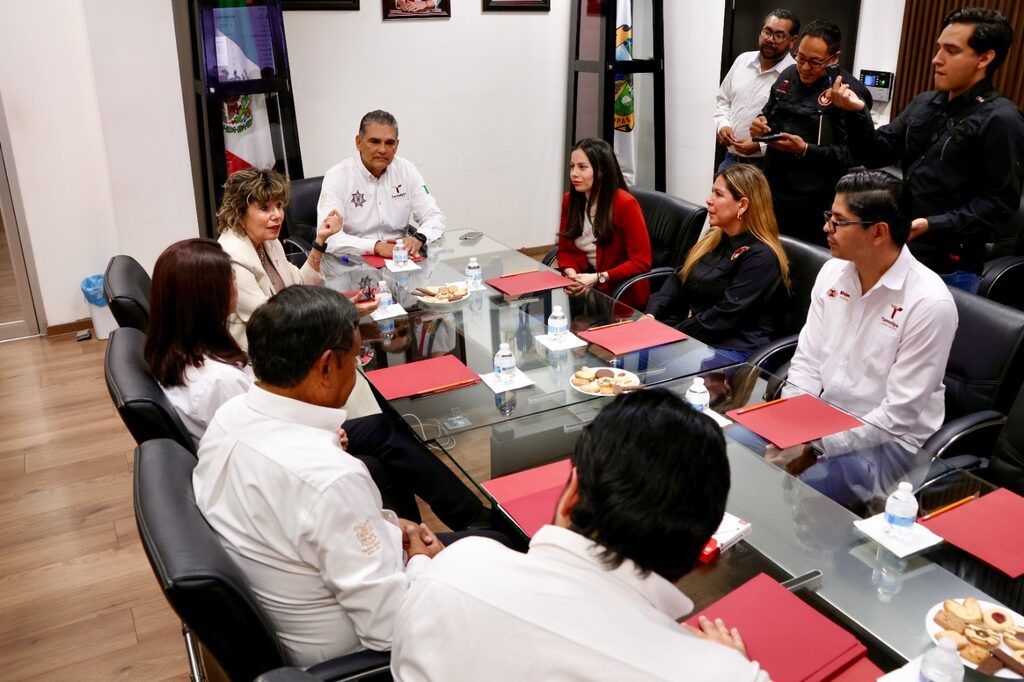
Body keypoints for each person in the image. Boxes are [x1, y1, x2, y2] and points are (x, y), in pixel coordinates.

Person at [194, 286, 500, 667]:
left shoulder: (229, 417)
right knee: (500, 554)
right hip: (358, 656)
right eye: (355, 359)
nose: (356, 370)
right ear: (326, 367)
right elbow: (390, 629)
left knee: (486, 542)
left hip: (299, 603)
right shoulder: (330, 479)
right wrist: (420, 560)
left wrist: (390, 525)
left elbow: (315, 528)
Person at [391, 389, 768, 681]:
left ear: (571, 495)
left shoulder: (452, 570)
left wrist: (435, 566)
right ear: (703, 549)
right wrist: (727, 666)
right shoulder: (721, 674)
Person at [145, 239, 485, 530]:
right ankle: (453, 524)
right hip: (276, 473)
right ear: (207, 296)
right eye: (230, 279)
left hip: (279, 444)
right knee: (381, 453)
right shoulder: (218, 381)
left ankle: (445, 523)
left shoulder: (187, 350)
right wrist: (323, 435)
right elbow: (257, 445)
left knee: (383, 434)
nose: (236, 283)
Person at [831, 7, 1024, 293]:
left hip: (951, 265)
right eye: (939, 48)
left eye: (951, 50)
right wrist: (857, 112)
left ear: (984, 58)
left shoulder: (1002, 119)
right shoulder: (925, 102)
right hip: (902, 249)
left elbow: (999, 204)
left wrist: (932, 224)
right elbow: (876, 154)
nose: (937, 59)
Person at [784, 170, 957, 450]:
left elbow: (897, 415)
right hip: (823, 422)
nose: (827, 228)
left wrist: (817, 446)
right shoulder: (832, 272)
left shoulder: (930, 303)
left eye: (839, 221)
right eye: (829, 216)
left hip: (888, 444)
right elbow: (808, 361)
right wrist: (790, 424)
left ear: (878, 232)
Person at [646, 164, 790, 363]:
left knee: (652, 362)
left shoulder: (761, 257)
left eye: (718, 194)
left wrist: (672, 334)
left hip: (734, 349)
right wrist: (652, 314)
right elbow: (679, 277)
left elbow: (725, 315)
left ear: (743, 205)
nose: (709, 200)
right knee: (633, 352)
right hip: (699, 336)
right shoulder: (714, 237)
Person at [751, 19, 873, 246]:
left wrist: (806, 149)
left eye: (815, 62)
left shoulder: (849, 93)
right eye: (801, 58)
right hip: (772, 192)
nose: (805, 68)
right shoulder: (788, 74)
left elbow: (854, 155)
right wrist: (760, 123)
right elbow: (769, 113)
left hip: (815, 203)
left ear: (834, 58)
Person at [216, 167, 346, 350]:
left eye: (278, 206)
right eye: (264, 208)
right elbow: (267, 320)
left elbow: (300, 285)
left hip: (286, 340)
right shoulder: (231, 256)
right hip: (256, 354)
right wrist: (333, 313)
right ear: (239, 213)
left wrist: (320, 241)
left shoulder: (269, 242)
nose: (277, 215)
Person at [316, 110, 446, 258]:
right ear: (358, 142)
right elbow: (328, 237)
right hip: (352, 260)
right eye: (374, 142)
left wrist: (419, 238)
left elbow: (435, 216)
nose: (383, 150)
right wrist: (376, 247)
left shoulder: (406, 170)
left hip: (400, 259)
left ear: (397, 145)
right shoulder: (337, 176)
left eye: (390, 143)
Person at [556, 138, 652, 311]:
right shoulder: (570, 200)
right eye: (572, 166)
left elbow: (641, 262)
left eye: (582, 167)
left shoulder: (625, 204)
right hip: (586, 289)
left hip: (621, 296)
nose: (574, 174)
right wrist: (571, 274)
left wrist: (598, 278)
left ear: (601, 171)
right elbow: (566, 250)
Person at [714, 8, 799, 170]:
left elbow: (797, 128)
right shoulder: (742, 61)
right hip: (731, 160)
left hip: (768, 166)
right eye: (767, 32)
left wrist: (760, 145)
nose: (770, 39)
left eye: (779, 35)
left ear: (792, 41)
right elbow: (723, 101)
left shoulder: (795, 74)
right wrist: (723, 125)